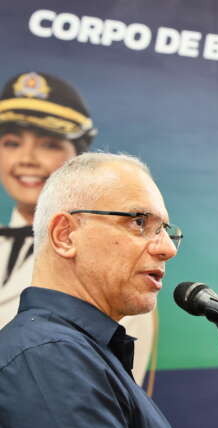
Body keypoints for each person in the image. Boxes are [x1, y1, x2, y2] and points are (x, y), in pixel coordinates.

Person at [0, 152, 184, 428]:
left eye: (164, 229)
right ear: (65, 235)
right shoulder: (50, 356)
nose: (167, 249)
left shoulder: (78, 352)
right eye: (139, 222)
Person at [0, 71, 154, 385]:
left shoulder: (116, 268)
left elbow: (113, 391)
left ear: (79, 160)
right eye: (12, 143)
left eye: (49, 144)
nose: (27, 159)